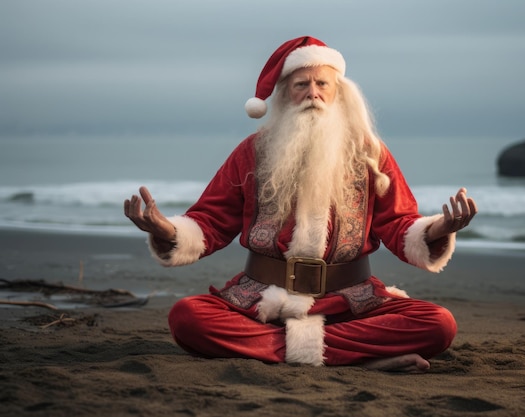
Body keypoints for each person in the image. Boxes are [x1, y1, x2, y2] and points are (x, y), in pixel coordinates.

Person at [124, 36, 477, 372]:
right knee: (188, 317)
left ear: (338, 92)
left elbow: (399, 223)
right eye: (301, 85)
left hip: (351, 301)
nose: (313, 93)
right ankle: (355, 357)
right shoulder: (252, 151)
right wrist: (165, 228)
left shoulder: (370, 154)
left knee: (438, 324)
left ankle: (283, 350)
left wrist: (440, 228)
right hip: (262, 299)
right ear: (283, 95)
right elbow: (211, 221)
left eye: (322, 84)